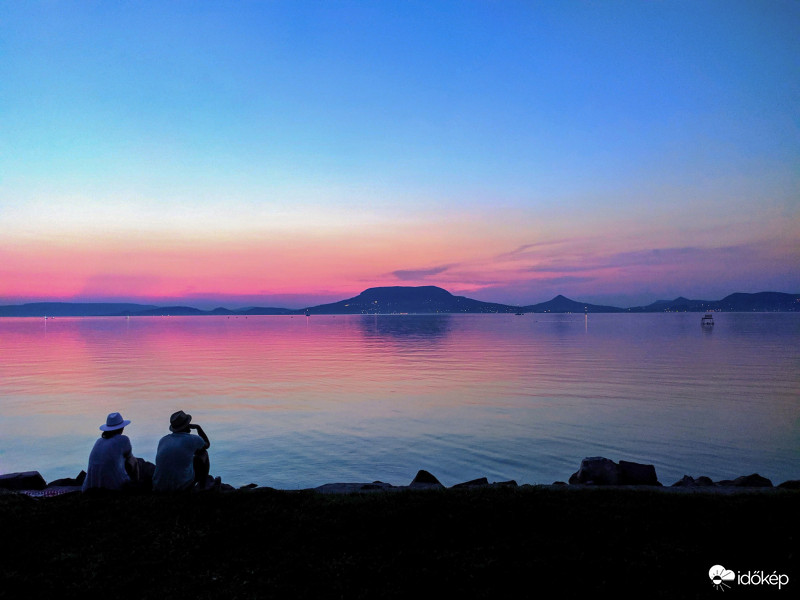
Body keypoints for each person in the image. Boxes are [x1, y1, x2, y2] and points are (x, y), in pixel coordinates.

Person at [153, 410, 214, 492]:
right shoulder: (192, 439)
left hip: (158, 486)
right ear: (187, 425)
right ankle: (203, 486)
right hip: (180, 488)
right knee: (203, 453)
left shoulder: (163, 439)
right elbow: (207, 445)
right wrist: (198, 428)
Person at [82, 412, 143, 491]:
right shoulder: (123, 440)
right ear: (121, 428)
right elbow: (130, 460)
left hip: (90, 486)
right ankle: (135, 485)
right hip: (113, 487)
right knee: (135, 461)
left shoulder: (99, 441)